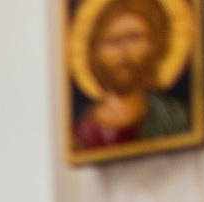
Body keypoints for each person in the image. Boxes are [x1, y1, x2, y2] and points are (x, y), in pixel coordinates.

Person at [73, 0, 190, 150]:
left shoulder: (175, 119)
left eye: (134, 37)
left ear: (155, 45)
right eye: (113, 41)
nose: (124, 53)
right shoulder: (81, 135)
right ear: (96, 53)